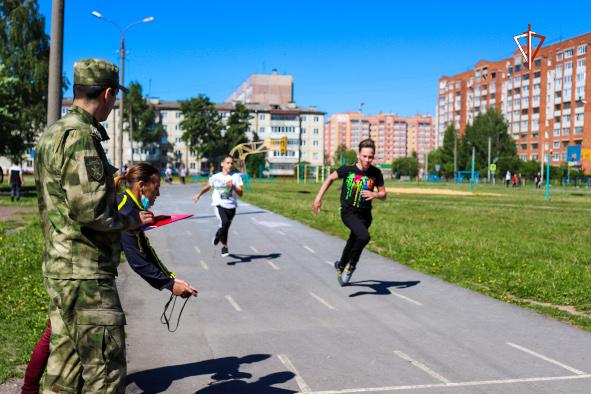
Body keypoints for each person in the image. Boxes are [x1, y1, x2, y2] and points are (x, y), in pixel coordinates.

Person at [33, 58, 154, 393]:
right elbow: (91, 212)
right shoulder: (82, 138)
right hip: (86, 273)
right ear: (108, 93)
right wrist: (131, 220)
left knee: (64, 370)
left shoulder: (52, 134)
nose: (113, 105)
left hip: (60, 268)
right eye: (114, 99)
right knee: (105, 369)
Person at [22, 163, 198, 394]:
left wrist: (170, 279)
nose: (158, 195)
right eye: (156, 189)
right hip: (85, 280)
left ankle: (29, 388)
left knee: (55, 335)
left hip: (67, 274)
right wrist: (168, 283)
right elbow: (137, 258)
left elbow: (144, 249)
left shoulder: (128, 206)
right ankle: (30, 388)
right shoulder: (126, 210)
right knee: (100, 363)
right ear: (142, 186)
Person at [312, 138, 386, 286]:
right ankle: (351, 266)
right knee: (364, 237)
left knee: (353, 240)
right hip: (348, 212)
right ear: (358, 155)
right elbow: (329, 179)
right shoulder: (348, 169)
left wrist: (376, 195)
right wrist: (318, 199)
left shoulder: (376, 173)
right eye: (364, 156)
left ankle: (341, 265)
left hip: (366, 215)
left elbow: (384, 194)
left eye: (370, 156)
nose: (367, 160)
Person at [193, 155, 243, 257]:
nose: (230, 165)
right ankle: (224, 247)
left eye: (232, 163)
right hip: (219, 204)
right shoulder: (216, 177)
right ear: (222, 164)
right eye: (228, 163)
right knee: (224, 223)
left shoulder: (236, 176)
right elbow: (208, 186)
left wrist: (232, 186)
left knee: (225, 227)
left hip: (232, 206)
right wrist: (198, 194)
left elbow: (241, 193)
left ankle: (218, 235)